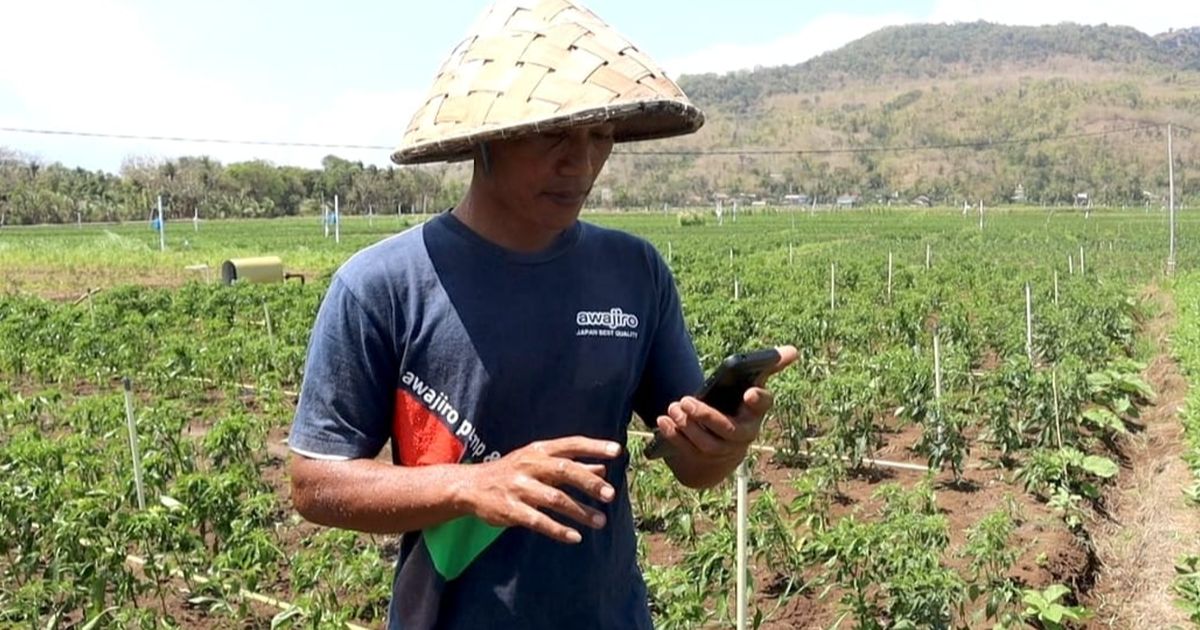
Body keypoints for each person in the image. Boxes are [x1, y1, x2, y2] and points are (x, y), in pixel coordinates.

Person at [286, 1, 797, 628]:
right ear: (485, 138)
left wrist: (724, 445)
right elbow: (315, 483)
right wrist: (471, 485)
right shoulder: (382, 285)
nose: (580, 164)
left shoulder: (634, 271)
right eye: (552, 134)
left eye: (599, 134)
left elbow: (691, 464)